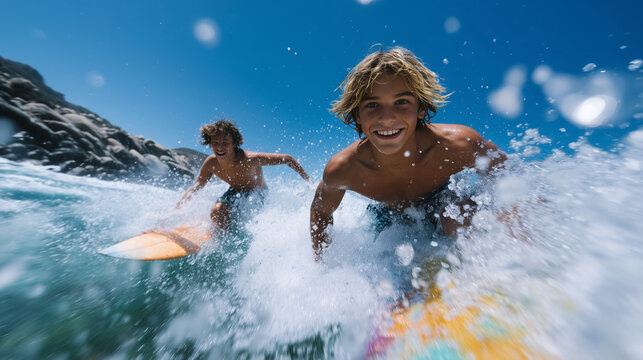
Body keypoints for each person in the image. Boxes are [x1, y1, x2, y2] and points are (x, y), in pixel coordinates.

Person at [310, 47, 506, 261]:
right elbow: (321, 212)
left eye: (401, 102)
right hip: (389, 218)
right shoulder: (344, 169)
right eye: (373, 105)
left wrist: (515, 230)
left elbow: (506, 174)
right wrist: (323, 265)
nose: (386, 118)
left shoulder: (457, 144)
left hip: (443, 203)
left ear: (420, 108)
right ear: (357, 115)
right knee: (385, 256)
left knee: (457, 214)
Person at [178, 119, 311, 229]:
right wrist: (176, 210)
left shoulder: (249, 159)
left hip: (257, 194)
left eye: (225, 143)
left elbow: (288, 159)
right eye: (215, 143)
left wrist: (310, 183)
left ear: (234, 143)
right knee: (216, 212)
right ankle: (222, 234)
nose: (219, 147)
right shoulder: (211, 163)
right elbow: (196, 187)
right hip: (235, 191)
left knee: (241, 219)